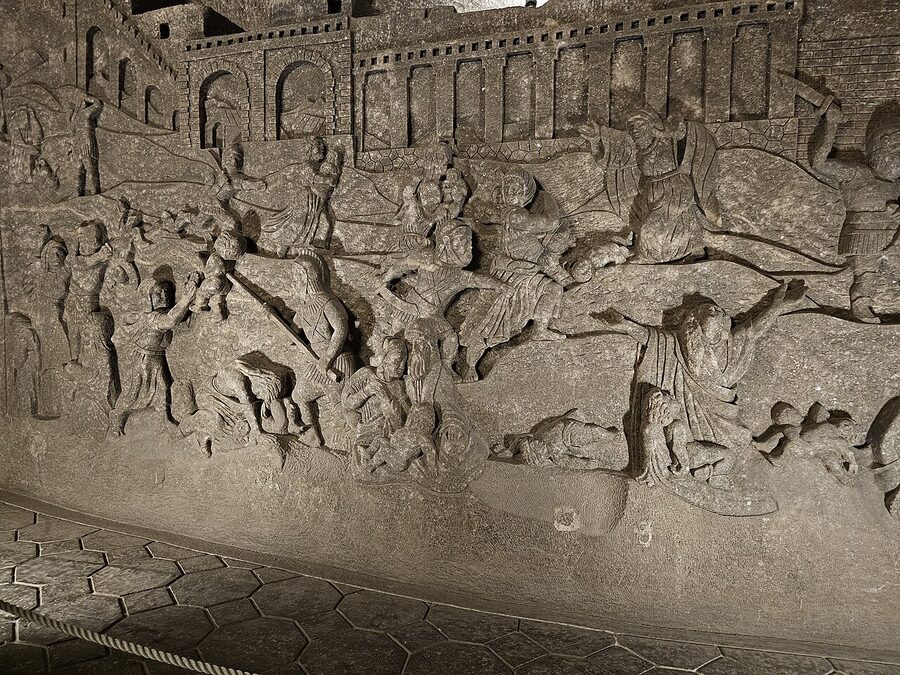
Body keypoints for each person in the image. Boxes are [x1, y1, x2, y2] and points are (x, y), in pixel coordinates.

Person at [595, 280, 808, 462]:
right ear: (694, 321)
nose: (716, 312)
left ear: (726, 325)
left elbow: (755, 330)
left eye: (720, 312)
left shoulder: (732, 347)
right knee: (683, 438)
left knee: (740, 440)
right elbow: (651, 337)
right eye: (709, 310)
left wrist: (777, 307)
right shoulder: (677, 345)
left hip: (722, 411)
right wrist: (624, 325)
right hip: (687, 410)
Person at [459, 169, 573, 381]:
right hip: (512, 276)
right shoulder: (516, 214)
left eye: (516, 188)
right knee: (493, 323)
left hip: (526, 273)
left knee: (553, 289)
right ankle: (469, 367)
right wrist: (548, 198)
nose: (511, 191)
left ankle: (540, 329)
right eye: (507, 187)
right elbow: (550, 223)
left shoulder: (513, 215)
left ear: (525, 194)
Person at [810, 102, 900, 322]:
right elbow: (819, 163)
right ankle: (860, 305)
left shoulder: (895, 183)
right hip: (863, 236)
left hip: (891, 233)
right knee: (866, 274)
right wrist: (831, 125)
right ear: (883, 144)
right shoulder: (856, 173)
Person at [107, 276, 199, 437]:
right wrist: (187, 299)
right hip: (140, 360)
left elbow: (177, 316)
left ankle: (165, 419)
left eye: (167, 293)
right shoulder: (151, 317)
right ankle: (116, 418)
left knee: (162, 389)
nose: (164, 296)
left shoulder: (162, 314)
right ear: (148, 297)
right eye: (158, 293)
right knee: (132, 394)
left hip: (156, 358)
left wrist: (189, 297)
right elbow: (171, 321)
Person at [289, 248, 354, 446]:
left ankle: (359, 441)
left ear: (308, 278)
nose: (294, 282)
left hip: (337, 363)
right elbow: (295, 330)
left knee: (342, 408)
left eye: (296, 277)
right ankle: (315, 435)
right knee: (298, 395)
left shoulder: (328, 302)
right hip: (315, 364)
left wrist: (328, 357)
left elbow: (341, 329)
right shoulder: (304, 307)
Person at [70, 96, 103, 196]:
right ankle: (89, 191)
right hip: (82, 142)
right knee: (87, 166)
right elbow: (97, 104)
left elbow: (98, 104)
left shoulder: (79, 116)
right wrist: (87, 98)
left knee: (82, 168)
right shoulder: (83, 114)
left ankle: (84, 191)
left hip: (81, 143)